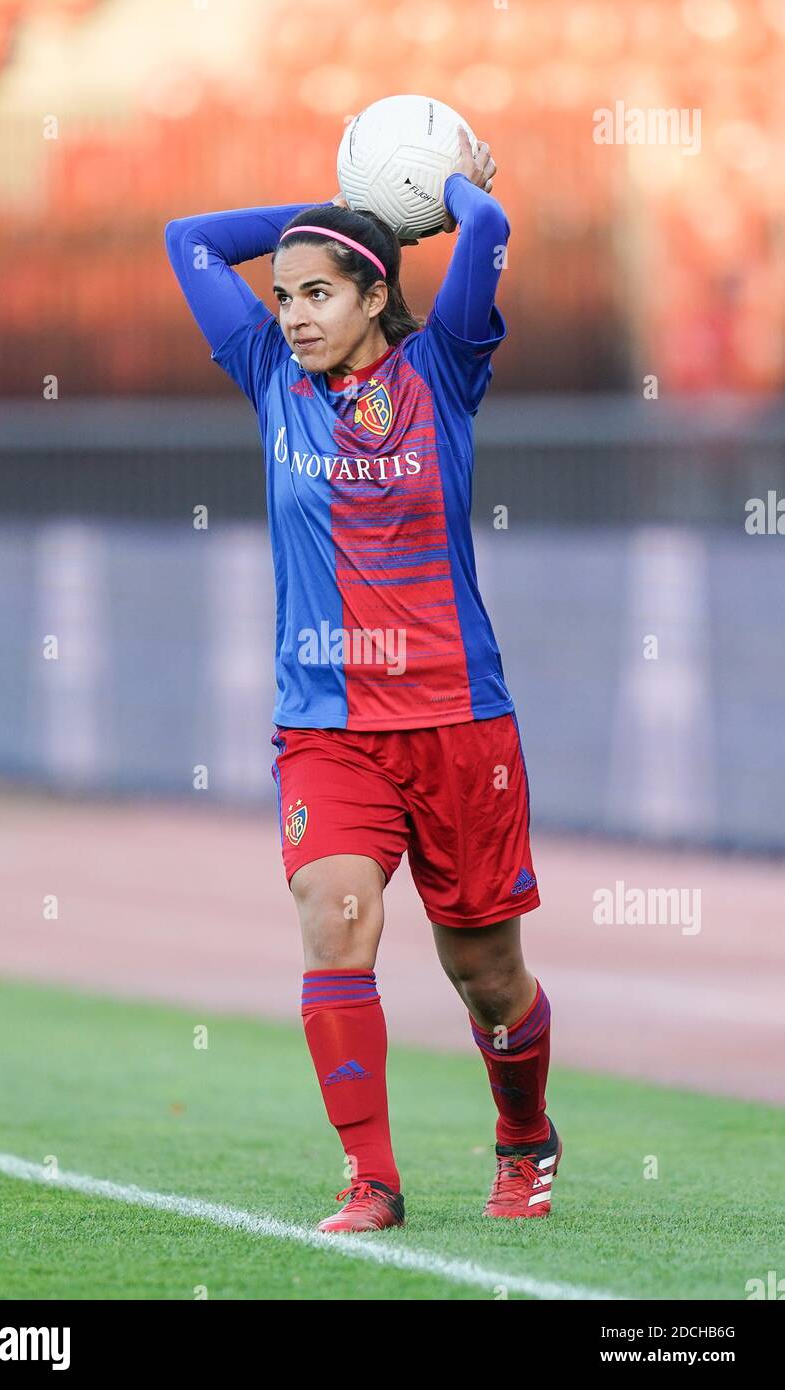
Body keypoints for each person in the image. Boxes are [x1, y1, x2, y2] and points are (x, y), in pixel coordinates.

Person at [164, 126, 561, 1234]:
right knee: (333, 922)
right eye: (280, 293)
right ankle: (371, 1179)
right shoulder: (266, 379)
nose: (288, 313)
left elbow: (480, 223)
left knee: (486, 976)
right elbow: (187, 239)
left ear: (375, 294)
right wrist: (329, 203)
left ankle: (524, 1132)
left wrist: (414, 194)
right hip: (327, 730)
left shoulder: (445, 368)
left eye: (316, 292)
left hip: (457, 722)